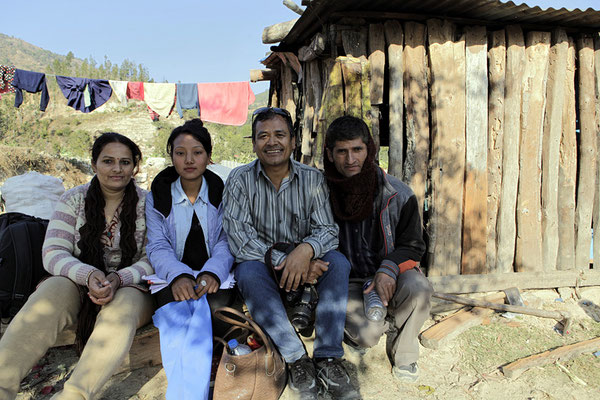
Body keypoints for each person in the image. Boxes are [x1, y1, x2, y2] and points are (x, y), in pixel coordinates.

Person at [0, 132, 154, 400]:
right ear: (94, 165)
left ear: (135, 167)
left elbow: (155, 257)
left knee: (124, 304)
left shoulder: (149, 203)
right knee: (52, 293)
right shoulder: (73, 199)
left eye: (125, 162)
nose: (117, 169)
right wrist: (89, 274)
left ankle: (74, 395)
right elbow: (53, 252)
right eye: (108, 161)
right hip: (79, 283)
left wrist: (119, 279)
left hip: (131, 286)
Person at [222, 107, 360, 400]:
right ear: (254, 143)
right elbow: (240, 239)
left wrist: (306, 251)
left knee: (337, 262)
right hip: (264, 266)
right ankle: (297, 359)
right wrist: (287, 262)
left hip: (308, 266)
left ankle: (327, 358)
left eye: (280, 135)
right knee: (246, 270)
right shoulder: (239, 180)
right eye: (263, 136)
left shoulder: (312, 179)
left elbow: (328, 230)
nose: (272, 142)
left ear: (293, 141)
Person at [323, 115, 432, 382]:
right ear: (329, 153)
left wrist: (389, 267)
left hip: (391, 273)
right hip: (347, 280)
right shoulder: (320, 193)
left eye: (357, 149)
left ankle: (404, 350)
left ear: (369, 149)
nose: (350, 159)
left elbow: (414, 246)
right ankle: (383, 322)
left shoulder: (398, 194)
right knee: (366, 335)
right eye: (342, 151)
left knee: (419, 289)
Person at [145, 119, 234, 400]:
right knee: (177, 310)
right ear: (171, 156)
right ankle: (194, 391)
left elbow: (227, 240)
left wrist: (212, 273)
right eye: (180, 153)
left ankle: (189, 389)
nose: (189, 160)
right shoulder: (157, 197)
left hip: (216, 275)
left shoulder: (223, 193)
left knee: (215, 307)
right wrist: (178, 276)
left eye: (197, 152)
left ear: (208, 156)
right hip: (171, 277)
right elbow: (157, 245)